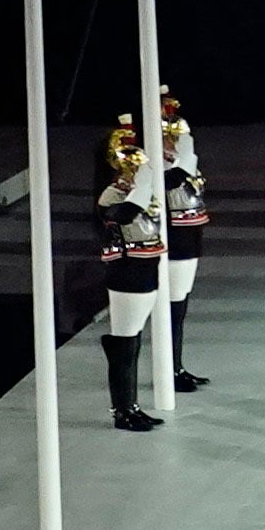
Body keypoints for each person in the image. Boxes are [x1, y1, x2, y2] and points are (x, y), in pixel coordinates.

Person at [92, 121, 165, 433]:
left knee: (132, 341)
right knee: (124, 341)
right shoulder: (113, 195)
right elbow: (123, 215)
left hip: (145, 269)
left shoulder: (138, 193)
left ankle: (131, 406)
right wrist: (143, 187)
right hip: (126, 271)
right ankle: (122, 410)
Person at [154, 90, 211, 392]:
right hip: (174, 237)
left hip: (190, 234)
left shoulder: (180, 155)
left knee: (181, 304)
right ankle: (169, 370)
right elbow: (170, 182)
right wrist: (181, 160)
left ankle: (176, 366)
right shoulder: (155, 163)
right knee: (172, 307)